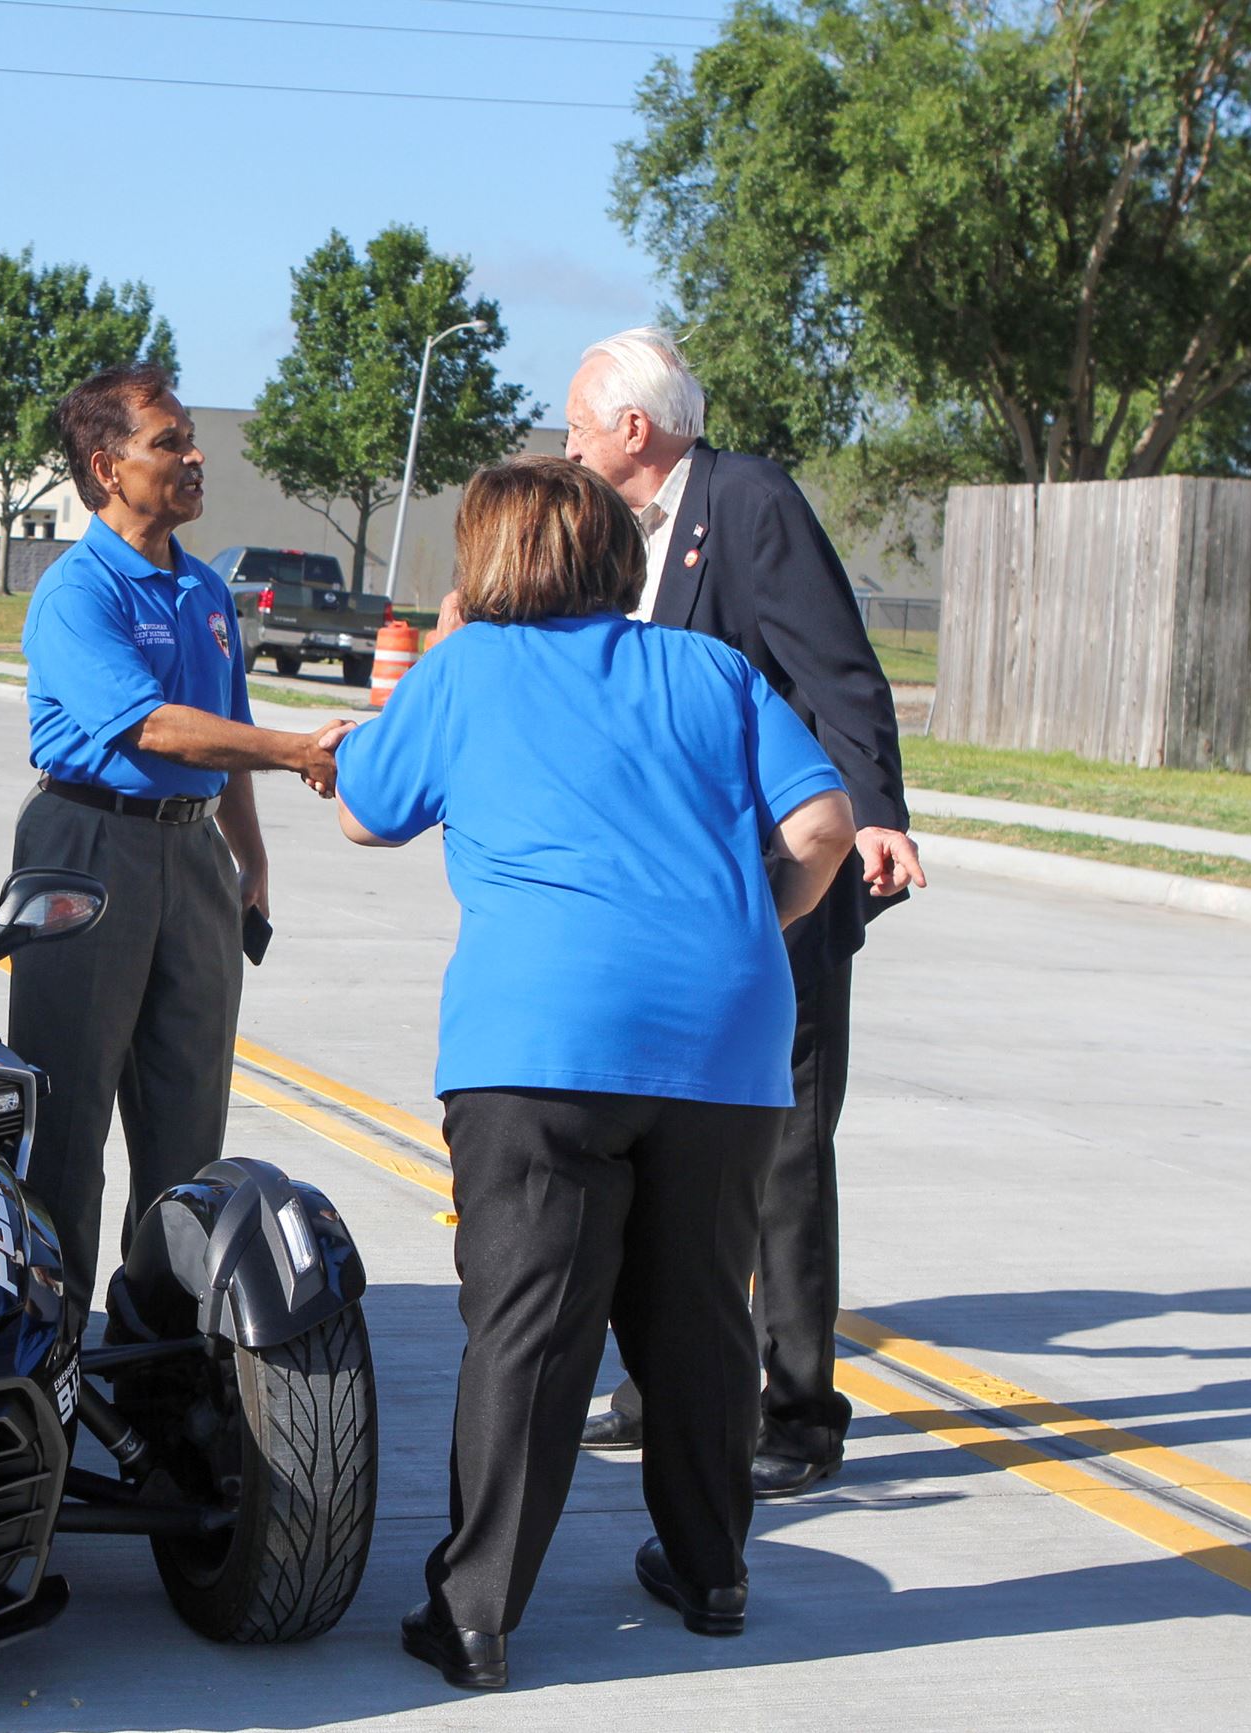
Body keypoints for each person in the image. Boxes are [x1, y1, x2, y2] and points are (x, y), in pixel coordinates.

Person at [334, 456, 856, 1691]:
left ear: (488, 557)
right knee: (692, 1314)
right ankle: (712, 1569)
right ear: (614, 556)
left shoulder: (468, 665)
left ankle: (476, 1608)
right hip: (721, 1038)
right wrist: (741, 928)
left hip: (542, 1040)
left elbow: (366, 806)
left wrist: (442, 648)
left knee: (529, 1320)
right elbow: (823, 824)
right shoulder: (710, 667)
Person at [562, 327, 922, 1498]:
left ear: (633, 427)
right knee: (677, 1146)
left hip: (787, 882)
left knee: (779, 1148)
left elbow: (837, 670)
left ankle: (800, 1409)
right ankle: (672, 1380)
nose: (563, 447)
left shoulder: (748, 500)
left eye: (574, 426)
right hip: (687, 898)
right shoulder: (625, 532)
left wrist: (873, 813)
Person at [8, 362, 348, 1304]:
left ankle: (159, 1334)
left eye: (190, 435)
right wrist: (295, 748)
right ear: (108, 467)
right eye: (170, 442)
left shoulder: (204, 589)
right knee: (69, 1119)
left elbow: (219, 730)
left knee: (188, 1115)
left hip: (192, 849)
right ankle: (56, 1336)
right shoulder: (78, 592)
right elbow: (151, 725)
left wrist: (252, 858)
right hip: (87, 847)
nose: (194, 456)